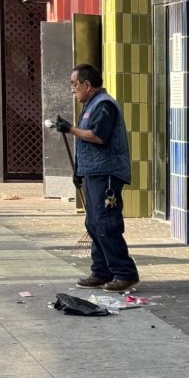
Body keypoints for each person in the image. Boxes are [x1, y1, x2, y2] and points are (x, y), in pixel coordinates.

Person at [53, 63, 140, 292]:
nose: (72, 90)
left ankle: (125, 273)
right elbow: (86, 144)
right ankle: (101, 271)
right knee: (93, 223)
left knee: (106, 223)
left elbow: (98, 136)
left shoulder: (104, 106)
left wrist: (70, 129)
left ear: (87, 84)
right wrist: (78, 172)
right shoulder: (91, 105)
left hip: (106, 174)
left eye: (74, 84)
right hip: (93, 173)